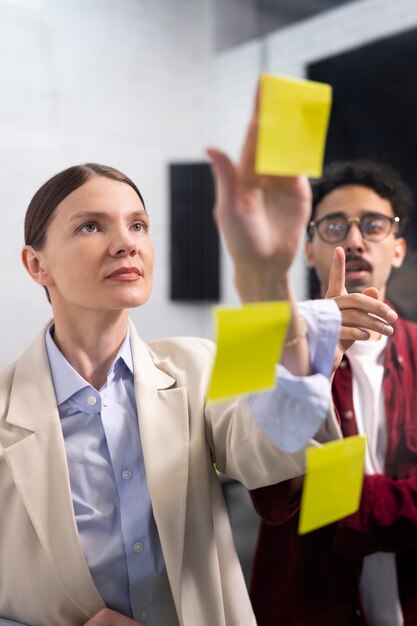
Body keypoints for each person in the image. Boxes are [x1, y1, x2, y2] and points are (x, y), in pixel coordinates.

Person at [0, 92, 396, 626]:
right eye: (91, 226)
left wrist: (264, 282)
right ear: (35, 264)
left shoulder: (198, 364)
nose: (126, 243)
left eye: (137, 225)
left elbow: (268, 457)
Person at [250, 160, 417, 626]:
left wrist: (329, 490)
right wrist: (314, 355)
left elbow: (302, 489)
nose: (355, 240)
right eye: (334, 226)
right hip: (305, 604)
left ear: (398, 249)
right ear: (307, 250)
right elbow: (267, 490)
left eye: (374, 225)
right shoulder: (265, 343)